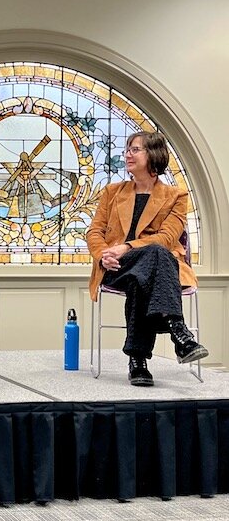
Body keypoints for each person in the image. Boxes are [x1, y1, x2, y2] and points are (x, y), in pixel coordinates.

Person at [86, 131, 208, 387]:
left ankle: (138, 361)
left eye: (135, 149)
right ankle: (178, 332)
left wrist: (126, 246)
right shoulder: (111, 192)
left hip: (152, 268)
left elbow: (167, 237)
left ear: (153, 155)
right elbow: (94, 231)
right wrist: (103, 255)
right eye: (127, 149)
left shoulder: (176, 196)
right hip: (117, 266)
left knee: (149, 265)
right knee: (152, 259)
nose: (128, 154)